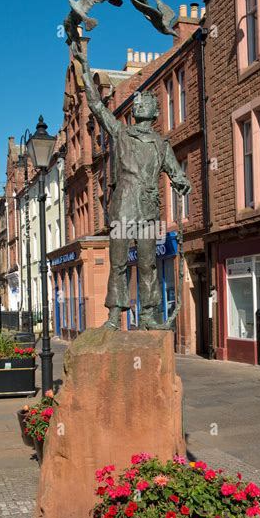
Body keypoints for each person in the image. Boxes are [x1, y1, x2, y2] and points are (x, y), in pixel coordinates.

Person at [72, 42, 191, 330]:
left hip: (148, 210)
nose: (138, 105)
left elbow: (178, 174)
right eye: (136, 103)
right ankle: (115, 315)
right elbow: (98, 106)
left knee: (149, 263)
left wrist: (183, 182)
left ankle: (148, 314)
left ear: (152, 111)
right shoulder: (121, 133)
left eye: (143, 103)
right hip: (124, 207)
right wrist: (84, 69)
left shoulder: (161, 145)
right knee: (119, 261)